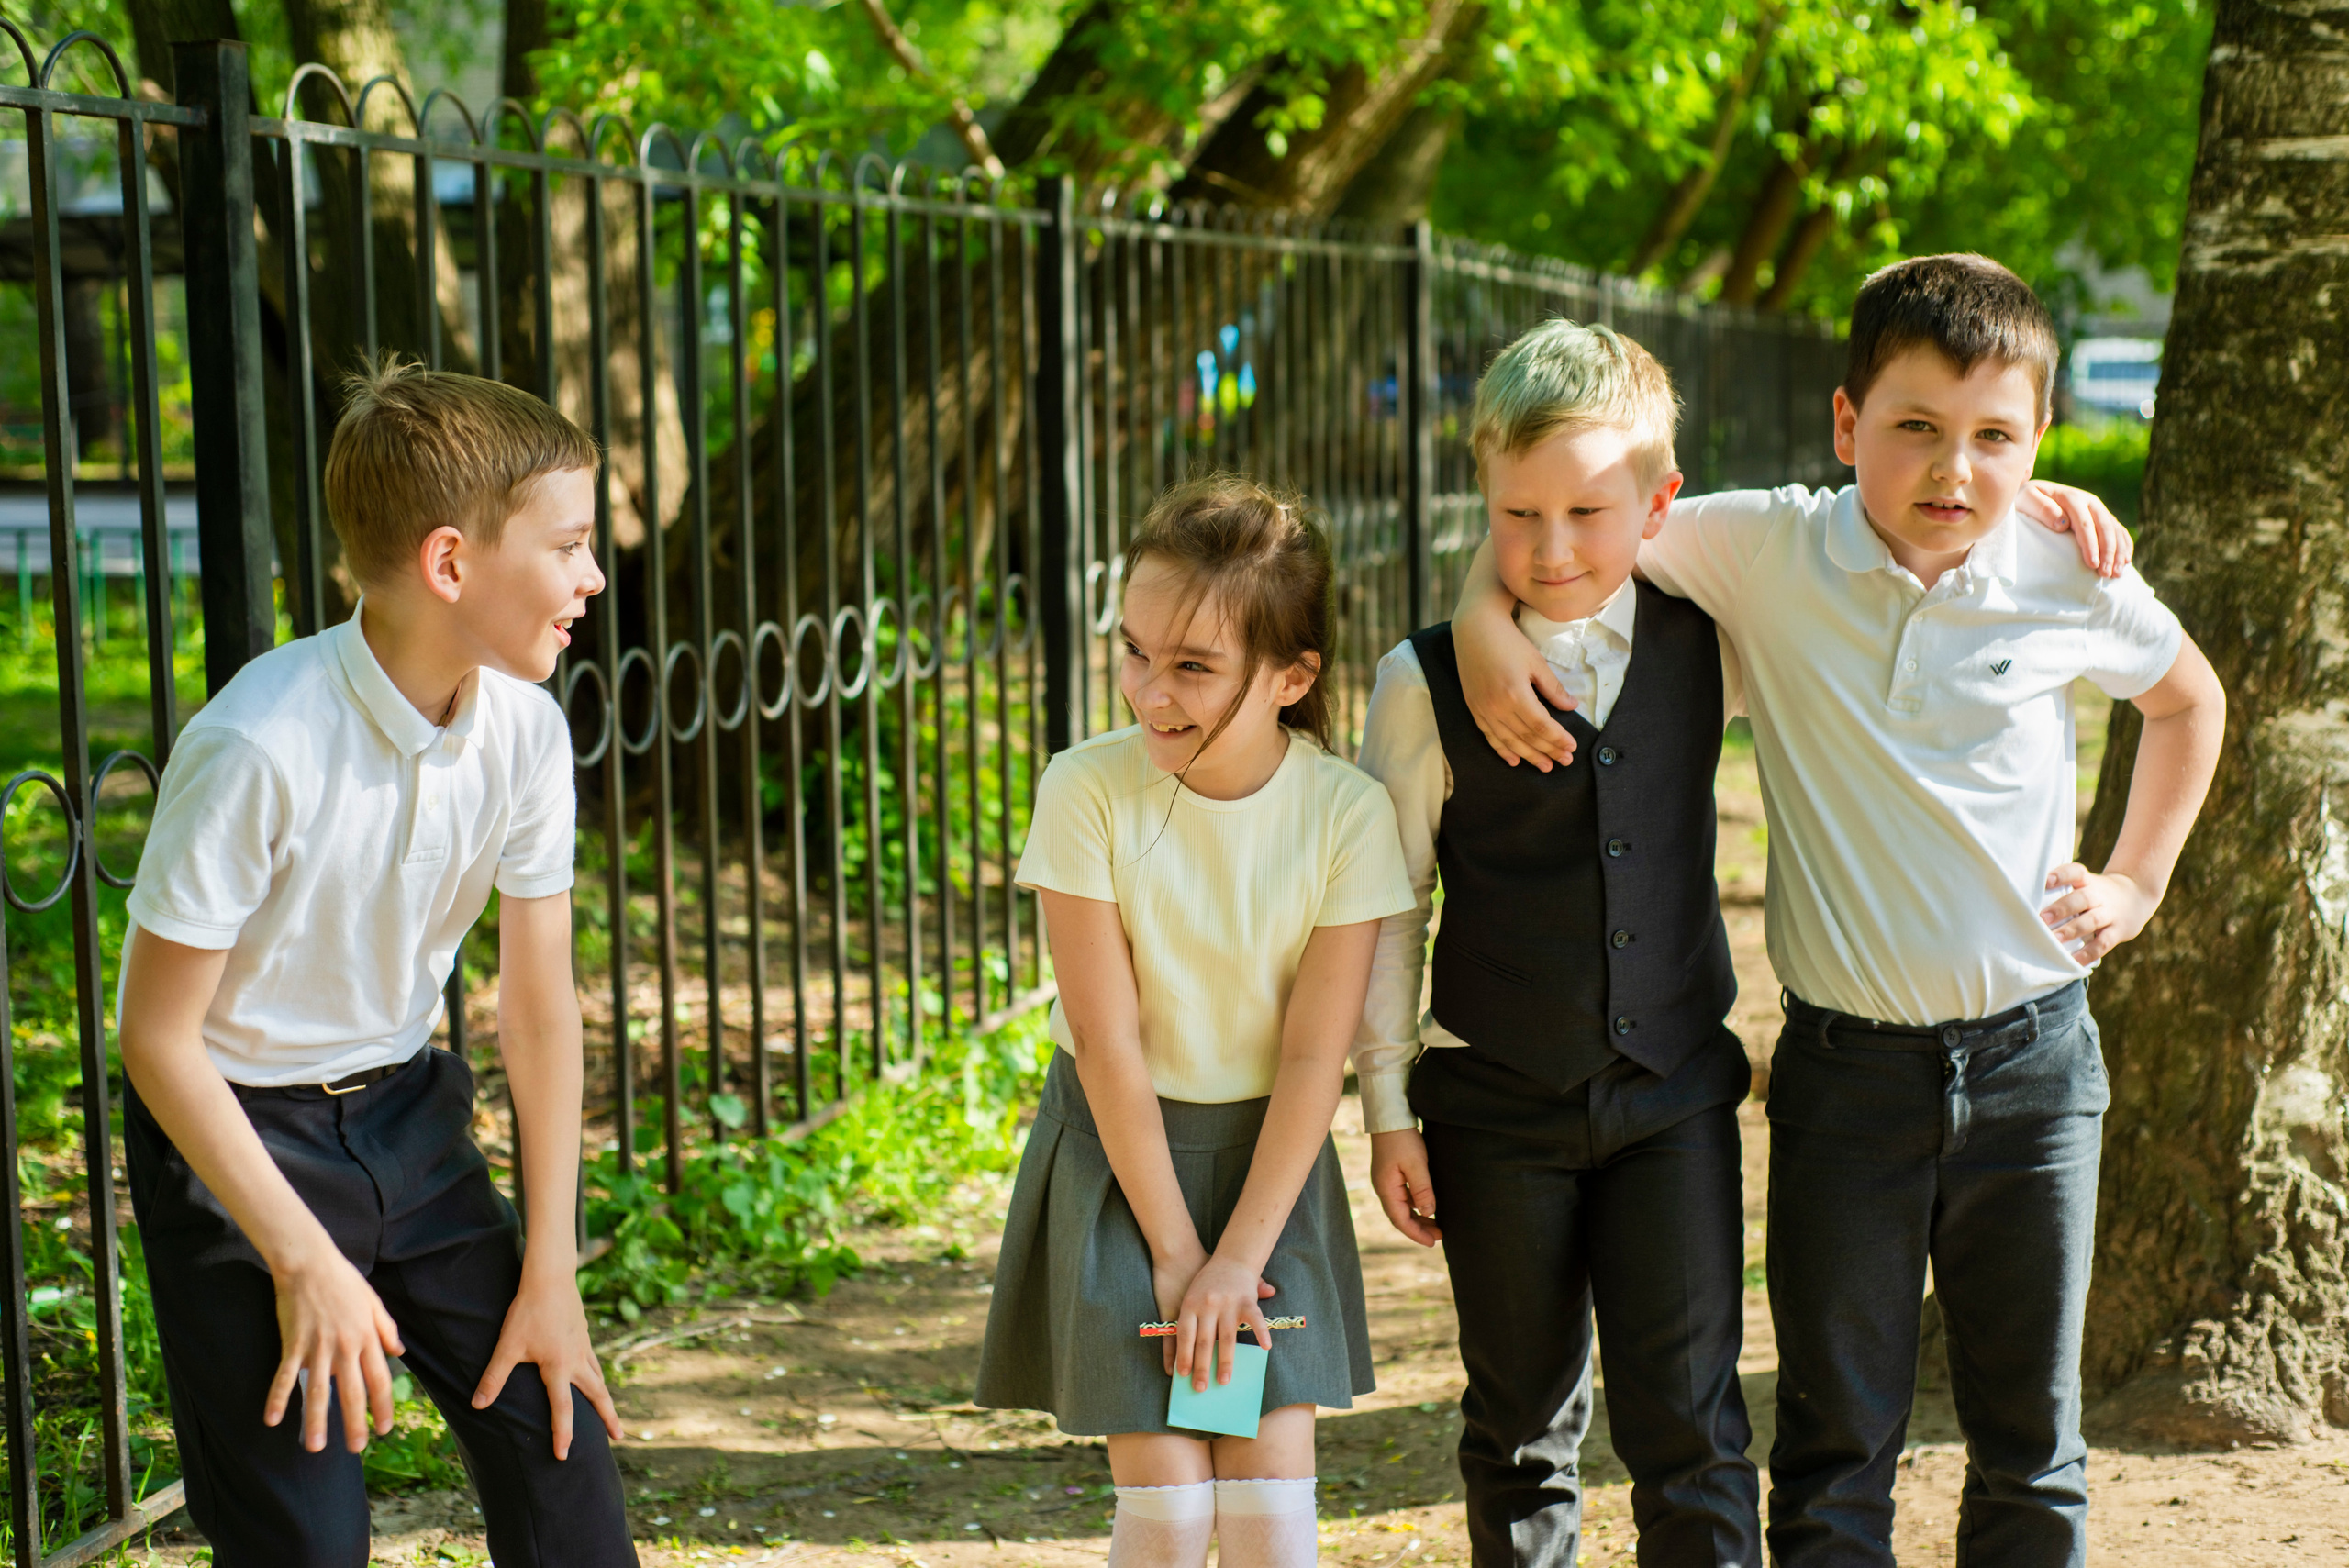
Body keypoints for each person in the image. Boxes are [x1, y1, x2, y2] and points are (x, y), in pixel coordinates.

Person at [1445, 255, 2225, 1568]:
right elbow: (1579, 510)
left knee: (2034, 1448)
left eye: (1994, 438)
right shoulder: (1769, 546)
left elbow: (2189, 700)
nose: (1952, 470)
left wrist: (2136, 881)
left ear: (2037, 445)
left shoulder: (2061, 565)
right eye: (1915, 427)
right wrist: (1478, 614)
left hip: (2037, 1069)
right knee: (1835, 1442)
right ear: (1846, 421)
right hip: (1843, 1082)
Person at [117, 360, 633, 1567]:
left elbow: (541, 1009)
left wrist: (550, 1271)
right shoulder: (259, 742)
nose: (593, 577)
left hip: (408, 1117)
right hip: (241, 1152)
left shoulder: (524, 727)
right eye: (567, 547)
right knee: (308, 1541)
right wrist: (303, 1256)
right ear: (451, 563)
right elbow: (155, 1038)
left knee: (565, 1458)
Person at [1353, 319, 1761, 1567]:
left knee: (1692, 1423)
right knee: (1519, 1425)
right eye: (1517, 516)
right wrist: (1385, 1107)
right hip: (1493, 1098)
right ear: (1482, 495)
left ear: (1657, 500)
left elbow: (1875, 547)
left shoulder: (1718, 636)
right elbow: (1387, 903)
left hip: (1674, 1094)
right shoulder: (1419, 682)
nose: (1553, 547)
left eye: (1589, 510)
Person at [974, 476, 1413, 1568]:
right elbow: (1108, 1040)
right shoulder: (1086, 789)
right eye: (1134, 652)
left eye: (1192, 666)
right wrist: (1179, 1255)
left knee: (1268, 1514)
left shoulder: (1346, 813)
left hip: (1271, 1169)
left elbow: (1320, 1051)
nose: (1149, 692)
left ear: (1292, 675)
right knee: (1169, 1515)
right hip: (1124, 1166)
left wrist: (1235, 1259)